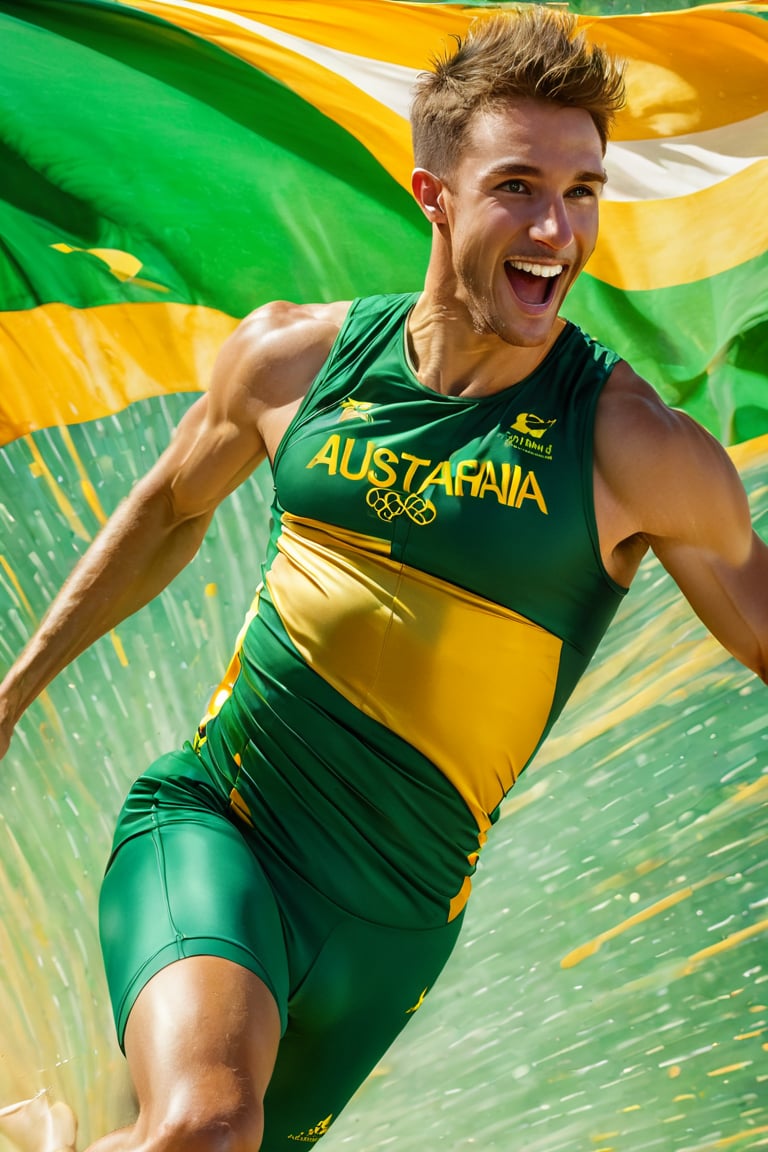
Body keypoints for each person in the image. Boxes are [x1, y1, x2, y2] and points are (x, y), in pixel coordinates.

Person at [1, 7, 766, 1151]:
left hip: (394, 932)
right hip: (222, 828)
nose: (556, 227)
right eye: (518, 185)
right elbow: (169, 510)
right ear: (436, 193)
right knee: (207, 1128)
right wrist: (12, 694)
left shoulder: (633, 448)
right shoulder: (294, 361)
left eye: (585, 191)